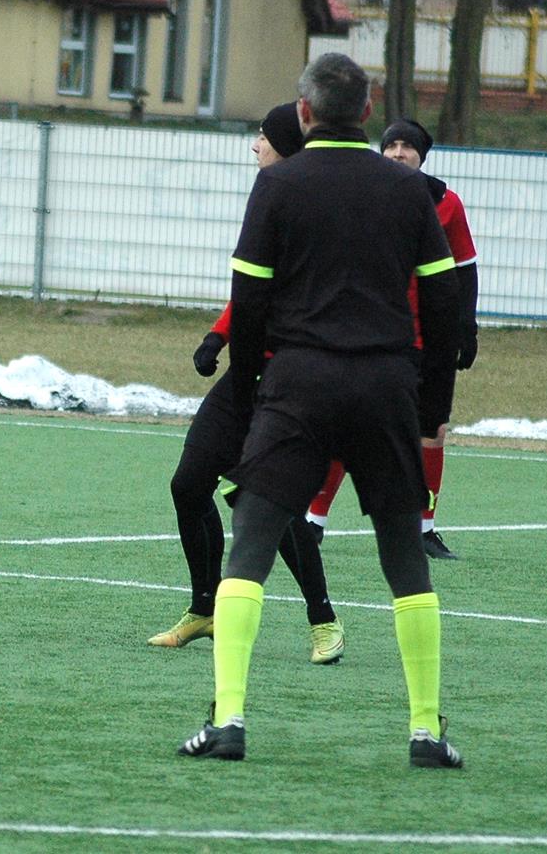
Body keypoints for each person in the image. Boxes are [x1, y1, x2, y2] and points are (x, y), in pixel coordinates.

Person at [177, 53, 464, 768]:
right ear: (367, 114)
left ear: (304, 114)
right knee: (404, 555)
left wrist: (249, 394)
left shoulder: (277, 184)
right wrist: (422, 396)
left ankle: (230, 722)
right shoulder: (409, 189)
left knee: (251, 543)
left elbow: (250, 305)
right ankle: (426, 730)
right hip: (384, 386)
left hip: (298, 384)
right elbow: (445, 302)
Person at [150, 104, 344, 666]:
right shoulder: (270, 196)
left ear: (285, 145)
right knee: (189, 484)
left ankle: (323, 620)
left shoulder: (308, 209)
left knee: (267, 503)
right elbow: (252, 291)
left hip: (289, 385)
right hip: (245, 380)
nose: (254, 145)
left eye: (261, 136)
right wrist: (217, 337)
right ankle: (204, 610)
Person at [303, 120, 479, 560]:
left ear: (422, 155)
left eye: (408, 147)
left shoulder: (446, 202)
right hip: (373, 333)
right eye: (392, 145)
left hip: (432, 340)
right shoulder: (358, 194)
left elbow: (465, 269)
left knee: (431, 432)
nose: (399, 153)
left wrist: (466, 326)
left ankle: (424, 529)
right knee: (347, 424)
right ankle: (313, 522)